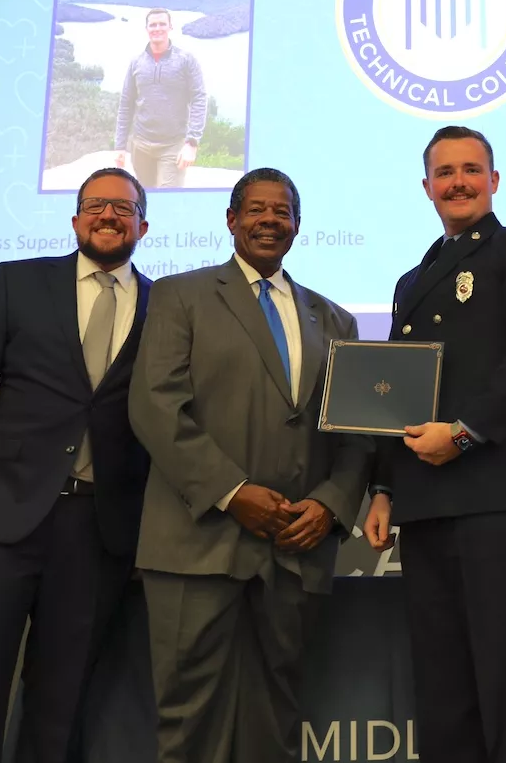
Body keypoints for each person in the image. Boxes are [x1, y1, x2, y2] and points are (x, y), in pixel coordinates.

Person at [128, 167, 371, 763]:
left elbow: (356, 435)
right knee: (189, 718)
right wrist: (233, 492)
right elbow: (155, 406)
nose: (270, 220)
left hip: (294, 546)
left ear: (297, 225)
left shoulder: (335, 319)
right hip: (197, 542)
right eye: (256, 210)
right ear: (232, 220)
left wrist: (332, 504)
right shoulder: (178, 296)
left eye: (282, 211)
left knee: (277, 718)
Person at [0, 167, 153, 763]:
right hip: (2, 518)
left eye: (123, 208)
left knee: (62, 694)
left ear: (143, 225)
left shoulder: (165, 305)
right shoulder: (18, 282)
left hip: (97, 531)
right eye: (96, 205)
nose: (109, 216)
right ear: (75, 219)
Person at [363, 126, 506, 763]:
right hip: (426, 505)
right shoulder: (413, 278)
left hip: (498, 500)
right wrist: (383, 486)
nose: (458, 181)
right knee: (443, 690)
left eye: (471, 169)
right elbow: (397, 390)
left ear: (494, 180)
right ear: (425, 186)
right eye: (445, 171)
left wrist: (464, 431)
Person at [114, 7, 206, 189]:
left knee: (167, 197)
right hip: (140, 146)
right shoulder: (136, 63)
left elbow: (199, 99)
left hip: (173, 145)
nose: (157, 28)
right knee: (145, 196)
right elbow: (126, 104)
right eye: (153, 25)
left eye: (162, 24)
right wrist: (120, 146)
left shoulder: (186, 60)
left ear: (170, 27)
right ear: (146, 29)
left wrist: (192, 143)